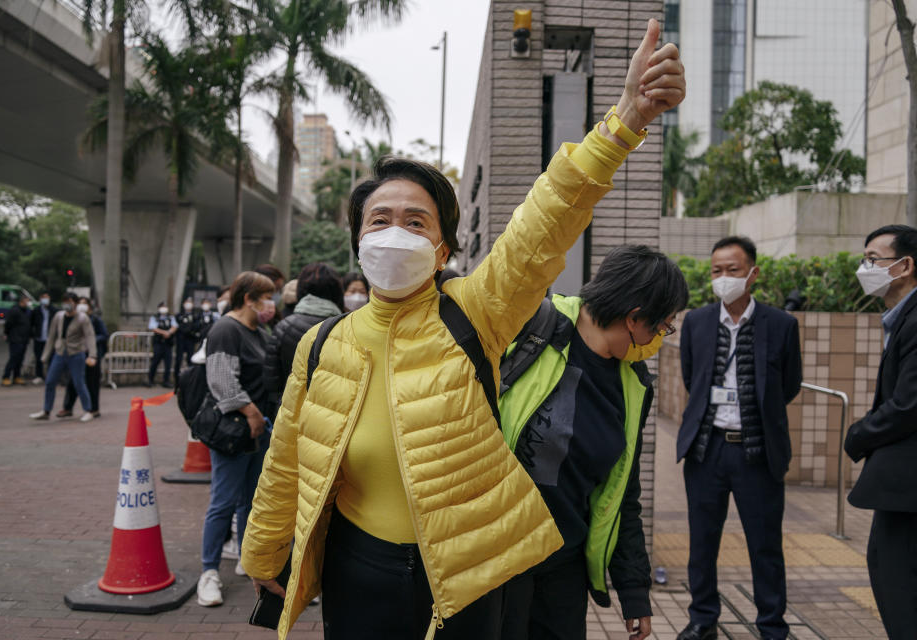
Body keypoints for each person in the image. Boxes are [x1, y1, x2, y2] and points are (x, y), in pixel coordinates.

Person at [240, 19, 684, 640]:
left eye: (415, 221)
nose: (395, 231)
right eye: (380, 219)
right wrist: (263, 555)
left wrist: (624, 122)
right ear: (358, 239)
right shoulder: (321, 346)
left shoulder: (476, 311)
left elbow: (546, 221)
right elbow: (286, 459)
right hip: (354, 570)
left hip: (464, 576)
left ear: (443, 245)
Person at [498, 246, 688, 640]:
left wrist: (634, 590)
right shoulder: (533, 327)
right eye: (662, 327)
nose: (659, 340)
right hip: (496, 559)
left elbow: (622, 493)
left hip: (563, 568)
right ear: (635, 318)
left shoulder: (633, 382)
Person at [676, 236, 802, 640]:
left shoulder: (781, 324)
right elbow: (690, 377)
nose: (724, 278)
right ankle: (702, 618)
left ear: (752, 273)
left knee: (765, 546)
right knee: (702, 542)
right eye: (717, 271)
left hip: (757, 453)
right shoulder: (695, 322)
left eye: (733, 270)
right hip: (706, 449)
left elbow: (788, 385)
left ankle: (771, 625)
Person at [844, 224, 917, 639]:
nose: (865, 267)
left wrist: (857, 435)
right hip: (903, 487)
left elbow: (909, 405)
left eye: (874, 259)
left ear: (905, 265)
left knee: (897, 583)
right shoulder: (901, 317)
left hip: (908, 488)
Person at [196, 271, 276, 607]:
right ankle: (209, 572)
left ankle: (247, 557)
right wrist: (252, 413)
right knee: (224, 501)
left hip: (258, 430)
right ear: (249, 299)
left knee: (250, 499)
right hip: (235, 430)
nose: (272, 303)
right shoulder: (226, 329)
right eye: (268, 297)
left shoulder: (259, 330)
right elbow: (221, 382)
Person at [263, 262, 345, 418]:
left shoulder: (284, 327)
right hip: (333, 415)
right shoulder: (346, 327)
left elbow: (271, 381)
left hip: (290, 413)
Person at [28, 292, 97, 423]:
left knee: (79, 383)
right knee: (50, 381)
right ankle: (46, 410)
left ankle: (88, 410)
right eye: (65, 301)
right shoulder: (59, 316)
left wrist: (92, 355)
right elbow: (52, 336)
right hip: (60, 353)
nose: (67, 304)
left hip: (76, 354)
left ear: (75, 303)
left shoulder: (82, 318)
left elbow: (90, 336)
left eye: (70, 301)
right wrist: (45, 355)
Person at [62, 297, 108, 418]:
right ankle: (68, 408)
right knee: (73, 381)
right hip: (77, 354)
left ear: (89, 307)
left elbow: (104, 335)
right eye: (80, 304)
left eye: (84, 304)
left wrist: (90, 341)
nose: (82, 306)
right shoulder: (74, 319)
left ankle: (94, 409)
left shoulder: (96, 320)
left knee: (92, 382)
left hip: (91, 356)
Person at [2, 293, 31, 386]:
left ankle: (16, 376)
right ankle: (6, 377)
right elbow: (8, 324)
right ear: (22, 301)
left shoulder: (26, 311)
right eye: (27, 301)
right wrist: (6, 333)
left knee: (20, 359)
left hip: (24, 339)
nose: (28, 302)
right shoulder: (14, 310)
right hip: (15, 338)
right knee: (13, 358)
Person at [147, 302, 177, 388]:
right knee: (155, 362)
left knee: (168, 363)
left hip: (168, 344)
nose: (164, 308)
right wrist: (164, 332)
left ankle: (166, 381)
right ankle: (150, 380)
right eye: (162, 307)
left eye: (165, 307)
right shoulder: (155, 317)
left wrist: (169, 332)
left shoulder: (170, 317)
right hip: (158, 343)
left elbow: (175, 326)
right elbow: (153, 328)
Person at [30, 291, 56, 384]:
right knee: (38, 358)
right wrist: (33, 334)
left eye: (47, 297)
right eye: (43, 297)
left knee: (51, 358)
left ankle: (51, 376)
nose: (45, 299)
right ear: (40, 299)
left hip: (50, 339)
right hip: (39, 338)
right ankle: (39, 375)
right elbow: (31, 323)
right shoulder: (36, 310)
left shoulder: (54, 310)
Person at [175, 297, 201, 381]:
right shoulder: (179, 315)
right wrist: (186, 328)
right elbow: (177, 326)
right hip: (181, 340)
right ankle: (177, 378)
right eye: (187, 302)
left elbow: (196, 326)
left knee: (190, 359)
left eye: (190, 302)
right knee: (178, 359)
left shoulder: (195, 316)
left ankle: (190, 379)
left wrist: (188, 328)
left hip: (190, 339)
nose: (188, 304)